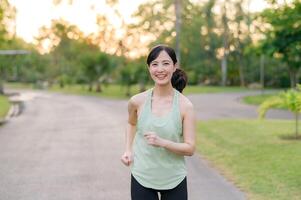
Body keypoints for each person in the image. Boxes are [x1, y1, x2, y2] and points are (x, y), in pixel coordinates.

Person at [121, 44, 196, 200]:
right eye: (154, 64)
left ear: (175, 66)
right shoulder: (137, 101)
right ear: (149, 68)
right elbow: (131, 123)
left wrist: (162, 142)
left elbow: (190, 148)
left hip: (174, 178)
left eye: (166, 63)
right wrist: (128, 150)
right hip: (142, 175)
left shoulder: (185, 106)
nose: (160, 69)